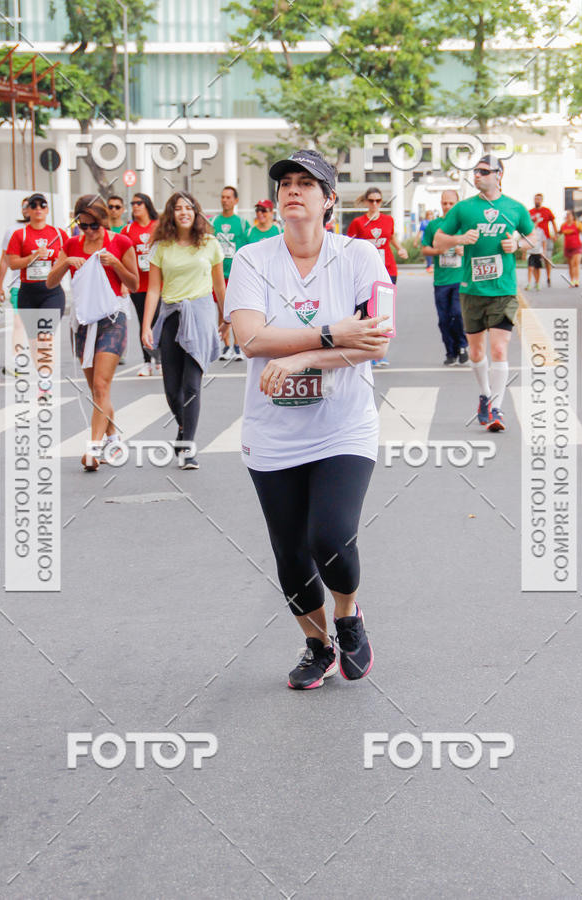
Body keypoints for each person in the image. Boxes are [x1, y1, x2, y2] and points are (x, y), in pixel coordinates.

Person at [225, 149, 392, 690]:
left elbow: (375, 340)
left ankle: (348, 613)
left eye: (307, 183)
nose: (293, 190)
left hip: (344, 424)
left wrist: (301, 356)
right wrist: (328, 334)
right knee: (291, 553)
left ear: (328, 201)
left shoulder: (361, 255)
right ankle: (317, 645)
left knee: (331, 536)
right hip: (273, 433)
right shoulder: (252, 259)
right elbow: (249, 339)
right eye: (285, 183)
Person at [434, 154, 535, 432]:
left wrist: (517, 244)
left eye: (483, 171)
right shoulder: (464, 209)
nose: (476, 175)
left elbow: (533, 237)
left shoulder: (514, 208)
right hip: (471, 290)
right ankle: (485, 394)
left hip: (503, 289)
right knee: (477, 352)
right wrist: (459, 239)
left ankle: (497, 408)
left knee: (499, 348)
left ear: (498, 175)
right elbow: (438, 239)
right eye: (475, 171)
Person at [47, 195, 138, 471]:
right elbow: (51, 281)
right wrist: (65, 262)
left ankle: (93, 450)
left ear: (103, 221)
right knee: (96, 389)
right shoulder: (72, 243)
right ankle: (112, 436)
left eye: (93, 226)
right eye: (82, 225)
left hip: (113, 318)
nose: (87, 231)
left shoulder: (121, 242)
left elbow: (133, 282)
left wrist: (116, 264)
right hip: (83, 322)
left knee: (101, 386)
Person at [141, 191, 226, 470]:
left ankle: (188, 447)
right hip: (171, 317)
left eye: (189, 208)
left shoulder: (210, 244)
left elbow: (219, 286)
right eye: (178, 209)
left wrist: (226, 319)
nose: (184, 213)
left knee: (191, 385)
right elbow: (153, 289)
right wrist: (146, 327)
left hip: (200, 317)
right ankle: (182, 429)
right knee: (171, 389)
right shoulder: (161, 247)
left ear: (196, 212)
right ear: (171, 214)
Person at [346, 186, 407, 368]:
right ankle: (369, 349)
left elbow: (391, 238)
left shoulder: (388, 220)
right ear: (366, 202)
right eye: (371, 200)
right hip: (366, 271)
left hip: (388, 269)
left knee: (385, 312)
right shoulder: (358, 222)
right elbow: (349, 245)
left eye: (378, 201)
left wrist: (400, 248)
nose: (374, 204)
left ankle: (381, 352)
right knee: (368, 311)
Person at [421, 190, 469, 366]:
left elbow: (476, 247)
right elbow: (425, 249)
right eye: (444, 203)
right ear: (440, 204)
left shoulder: (464, 226)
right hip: (441, 280)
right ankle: (450, 351)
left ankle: (462, 345)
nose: (447, 207)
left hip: (460, 277)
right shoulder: (435, 226)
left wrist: (463, 249)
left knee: (457, 313)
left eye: (451, 203)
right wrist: (438, 251)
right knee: (444, 319)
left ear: (457, 204)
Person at [6, 192, 68, 321]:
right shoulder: (19, 234)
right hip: (28, 292)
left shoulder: (58, 234)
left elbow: (71, 256)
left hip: (52, 291)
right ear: (27, 210)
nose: (38, 208)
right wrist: (32, 257)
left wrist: (60, 264)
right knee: (34, 340)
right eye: (33, 206)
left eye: (42, 205)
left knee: (45, 336)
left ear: (47, 210)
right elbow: (12, 264)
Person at [123, 193, 161, 376]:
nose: (135, 206)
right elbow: (121, 254)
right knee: (143, 322)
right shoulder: (128, 230)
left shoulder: (158, 226)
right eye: (133, 203)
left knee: (158, 321)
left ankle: (160, 359)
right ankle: (147, 361)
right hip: (138, 285)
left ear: (147, 205)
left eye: (139, 203)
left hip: (158, 283)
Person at [212, 185, 249, 360]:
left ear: (236, 201)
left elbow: (248, 246)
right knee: (222, 309)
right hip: (219, 273)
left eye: (228, 197)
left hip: (235, 273)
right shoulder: (213, 222)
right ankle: (226, 345)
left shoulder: (242, 223)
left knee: (237, 310)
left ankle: (237, 344)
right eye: (223, 197)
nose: (224, 200)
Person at [0, 197, 29, 376]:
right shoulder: (13, 231)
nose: (33, 208)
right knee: (19, 324)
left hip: (42, 287)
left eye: (40, 204)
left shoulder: (48, 232)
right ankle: (16, 361)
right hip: (19, 286)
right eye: (26, 206)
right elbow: (4, 260)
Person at [529, 193, 557, 286]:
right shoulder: (530, 212)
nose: (537, 201)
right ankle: (536, 281)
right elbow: (527, 225)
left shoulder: (546, 211)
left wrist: (555, 234)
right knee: (534, 259)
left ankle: (548, 277)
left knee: (547, 258)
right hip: (535, 240)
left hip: (546, 238)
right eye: (535, 199)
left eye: (539, 199)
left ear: (542, 200)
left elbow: (553, 222)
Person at [559, 209, 582, 288]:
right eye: (567, 215)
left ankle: (576, 280)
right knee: (570, 265)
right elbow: (559, 233)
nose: (568, 216)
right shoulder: (563, 225)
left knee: (576, 263)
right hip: (567, 248)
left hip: (577, 247)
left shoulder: (578, 224)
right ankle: (572, 280)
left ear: (573, 216)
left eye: (569, 214)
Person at [522, 226, 546, 291]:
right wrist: (524, 252)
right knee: (530, 268)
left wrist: (544, 252)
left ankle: (537, 283)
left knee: (537, 269)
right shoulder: (528, 230)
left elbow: (544, 241)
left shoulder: (540, 231)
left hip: (538, 252)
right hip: (531, 253)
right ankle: (529, 283)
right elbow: (525, 241)